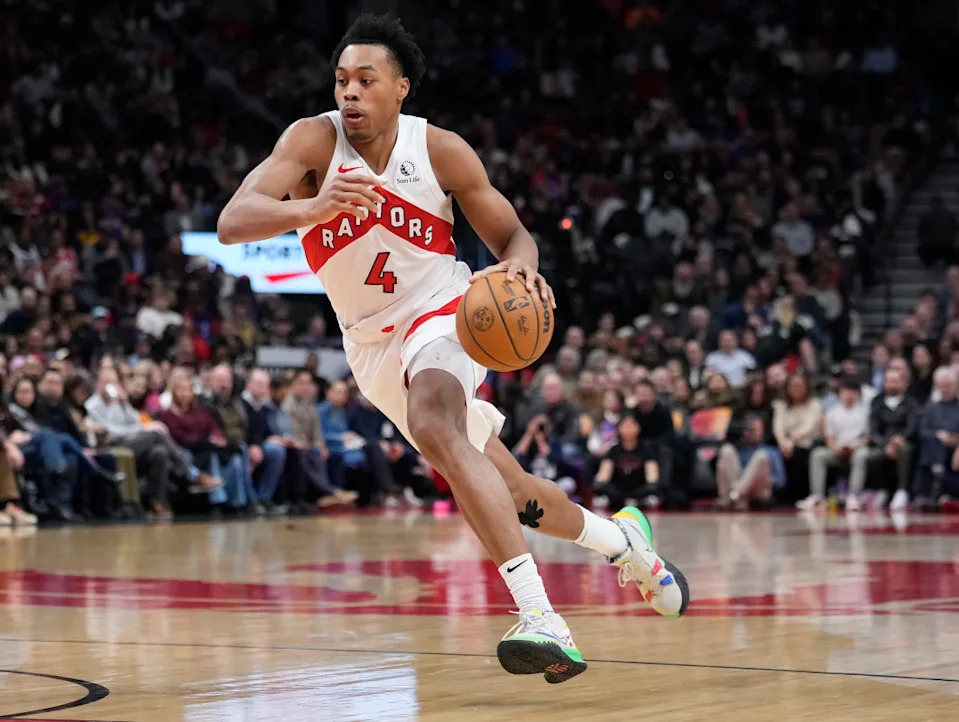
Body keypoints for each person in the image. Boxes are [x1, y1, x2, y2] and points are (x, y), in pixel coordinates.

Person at [217, 13, 688, 682]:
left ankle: (540, 617)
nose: (349, 92)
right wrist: (309, 208)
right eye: (341, 79)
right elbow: (232, 221)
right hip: (370, 344)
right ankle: (625, 543)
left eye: (365, 79)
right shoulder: (311, 141)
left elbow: (513, 235)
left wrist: (521, 266)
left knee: (434, 420)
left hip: (443, 311)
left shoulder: (439, 150)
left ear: (400, 88)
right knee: (517, 491)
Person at [798, 377, 869, 511]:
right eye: (846, 391)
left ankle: (853, 496)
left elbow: (866, 437)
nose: (849, 394)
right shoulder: (832, 413)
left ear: (858, 393)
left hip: (857, 449)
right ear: (840, 393)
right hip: (837, 450)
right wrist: (837, 448)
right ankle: (817, 496)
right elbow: (829, 438)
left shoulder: (864, 413)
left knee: (862, 455)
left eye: (853, 391)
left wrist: (855, 447)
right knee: (818, 454)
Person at [715, 415, 785, 510]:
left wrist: (759, 476)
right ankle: (738, 497)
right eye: (748, 429)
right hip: (737, 488)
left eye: (754, 429)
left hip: (760, 491)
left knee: (762, 457)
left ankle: (735, 495)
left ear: (762, 431)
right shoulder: (738, 450)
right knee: (726, 450)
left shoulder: (771, 451)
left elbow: (781, 480)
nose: (750, 432)